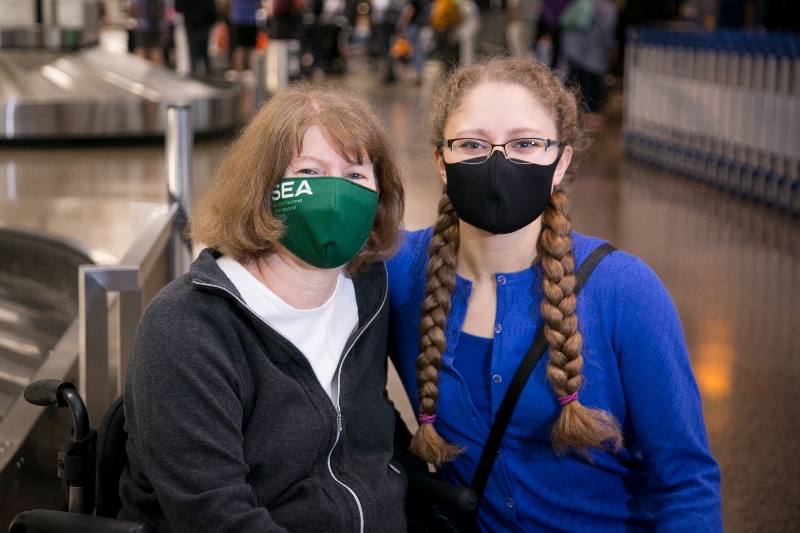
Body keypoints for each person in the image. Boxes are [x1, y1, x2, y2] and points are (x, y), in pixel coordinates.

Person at [387, 57, 723, 532]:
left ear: (560, 161)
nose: (499, 161)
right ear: (441, 161)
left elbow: (686, 482)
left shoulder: (624, 292)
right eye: (472, 144)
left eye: (526, 143)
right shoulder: (399, 274)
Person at [119, 85, 407, 532]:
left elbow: (373, 443)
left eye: (354, 175)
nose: (333, 195)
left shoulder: (366, 290)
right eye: (309, 171)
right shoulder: (188, 329)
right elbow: (214, 517)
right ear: (263, 187)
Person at [560, 0, 618, 132]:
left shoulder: (579, 2)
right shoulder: (608, 8)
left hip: (572, 49)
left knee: (572, 83)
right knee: (592, 88)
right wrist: (612, 49)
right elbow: (608, 34)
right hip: (593, 53)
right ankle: (590, 119)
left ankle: (566, 115)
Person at [175, 0, 219, 75]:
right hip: (204, 26)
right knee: (205, 53)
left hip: (191, 25)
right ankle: (208, 75)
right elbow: (212, 9)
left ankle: (194, 75)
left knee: (193, 55)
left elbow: (178, 7)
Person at [130, 0, 167, 65]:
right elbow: (164, 10)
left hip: (143, 26)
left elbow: (134, 8)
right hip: (157, 26)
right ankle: (159, 71)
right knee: (157, 50)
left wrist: (136, 22)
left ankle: (139, 70)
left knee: (141, 50)